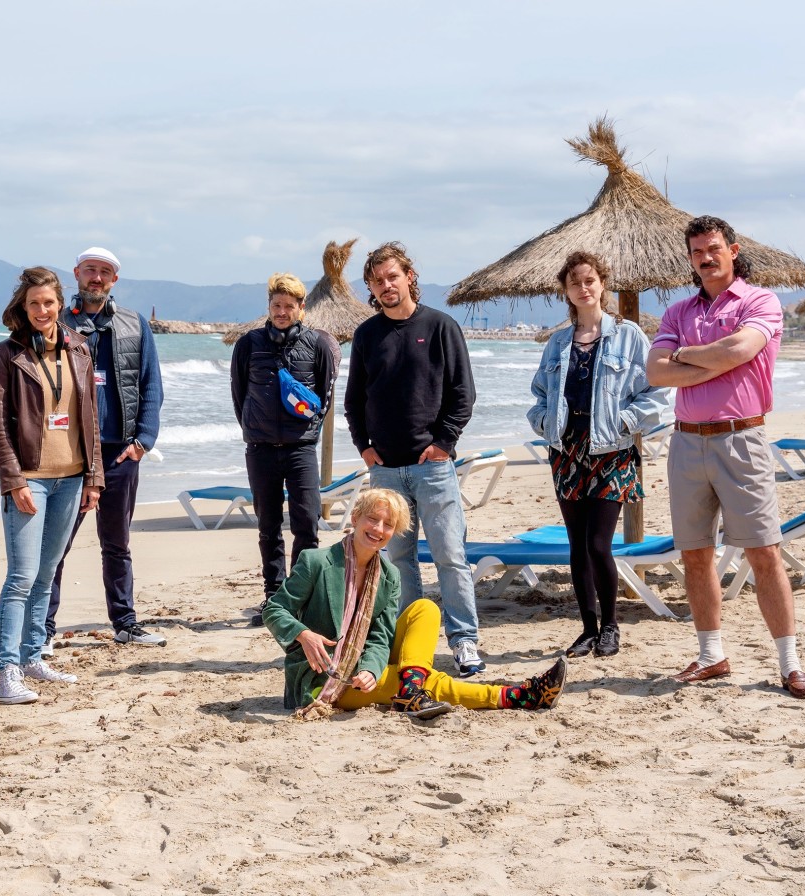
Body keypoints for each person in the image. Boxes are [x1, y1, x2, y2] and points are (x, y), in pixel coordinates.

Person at [647, 215, 805, 699]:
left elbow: (741, 349)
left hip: (741, 439)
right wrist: (711, 357)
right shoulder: (677, 311)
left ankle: (789, 663)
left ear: (733, 250)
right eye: (698, 251)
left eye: (714, 248)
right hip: (685, 442)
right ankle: (711, 655)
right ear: (689, 257)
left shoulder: (760, 300)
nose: (706, 257)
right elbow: (656, 373)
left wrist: (687, 357)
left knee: (765, 551)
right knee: (695, 554)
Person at [263, 488, 567, 717]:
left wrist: (370, 668)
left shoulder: (389, 576)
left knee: (426, 608)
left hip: (361, 665)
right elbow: (274, 609)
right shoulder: (316, 561)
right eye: (372, 518)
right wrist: (303, 634)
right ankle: (516, 696)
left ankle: (410, 689)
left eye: (388, 524)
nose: (378, 529)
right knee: (432, 680)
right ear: (355, 519)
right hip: (325, 677)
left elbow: (380, 637)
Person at [344, 241, 486, 677]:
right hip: (385, 469)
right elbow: (354, 399)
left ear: (409, 276)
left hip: (433, 466)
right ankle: (411, 639)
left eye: (393, 276)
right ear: (370, 286)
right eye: (378, 280)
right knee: (397, 561)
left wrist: (444, 442)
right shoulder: (367, 335)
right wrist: (364, 447)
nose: (387, 285)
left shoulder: (441, 326)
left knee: (449, 555)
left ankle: (465, 643)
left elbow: (463, 394)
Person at [528, 251, 666, 658]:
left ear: (602, 284)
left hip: (612, 452)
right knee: (576, 544)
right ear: (566, 291)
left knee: (599, 544)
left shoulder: (629, 336)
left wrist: (624, 422)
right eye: (575, 283)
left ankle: (610, 626)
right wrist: (543, 423)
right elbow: (538, 394)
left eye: (589, 281)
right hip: (567, 451)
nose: (583, 288)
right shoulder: (556, 343)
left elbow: (656, 394)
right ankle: (587, 629)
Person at [0, 267, 103, 704]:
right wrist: (13, 480)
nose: (41, 310)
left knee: (47, 573)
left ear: (60, 304)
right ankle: (6, 673)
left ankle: (33, 655)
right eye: (33, 303)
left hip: (71, 478)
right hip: (29, 481)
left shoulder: (79, 349)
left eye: (49, 302)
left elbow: (90, 418)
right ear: (23, 306)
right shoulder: (8, 354)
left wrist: (94, 477)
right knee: (21, 576)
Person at [46, 247, 165, 650]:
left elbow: (151, 385)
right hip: (70, 454)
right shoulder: (57, 321)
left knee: (117, 542)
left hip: (120, 452)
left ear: (114, 280)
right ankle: (41, 629)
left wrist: (143, 442)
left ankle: (126, 622)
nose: (97, 278)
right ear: (77, 273)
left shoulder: (134, 324)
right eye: (90, 271)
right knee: (56, 544)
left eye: (105, 273)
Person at [230, 273, 341, 625]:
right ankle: (274, 597)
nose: (282, 312)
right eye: (276, 305)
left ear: (301, 308)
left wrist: (305, 430)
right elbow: (239, 394)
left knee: (307, 523)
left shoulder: (317, 344)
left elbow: (324, 395)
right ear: (269, 306)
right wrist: (253, 428)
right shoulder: (249, 344)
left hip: (301, 449)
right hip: (261, 448)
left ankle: (303, 596)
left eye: (289, 306)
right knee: (268, 525)